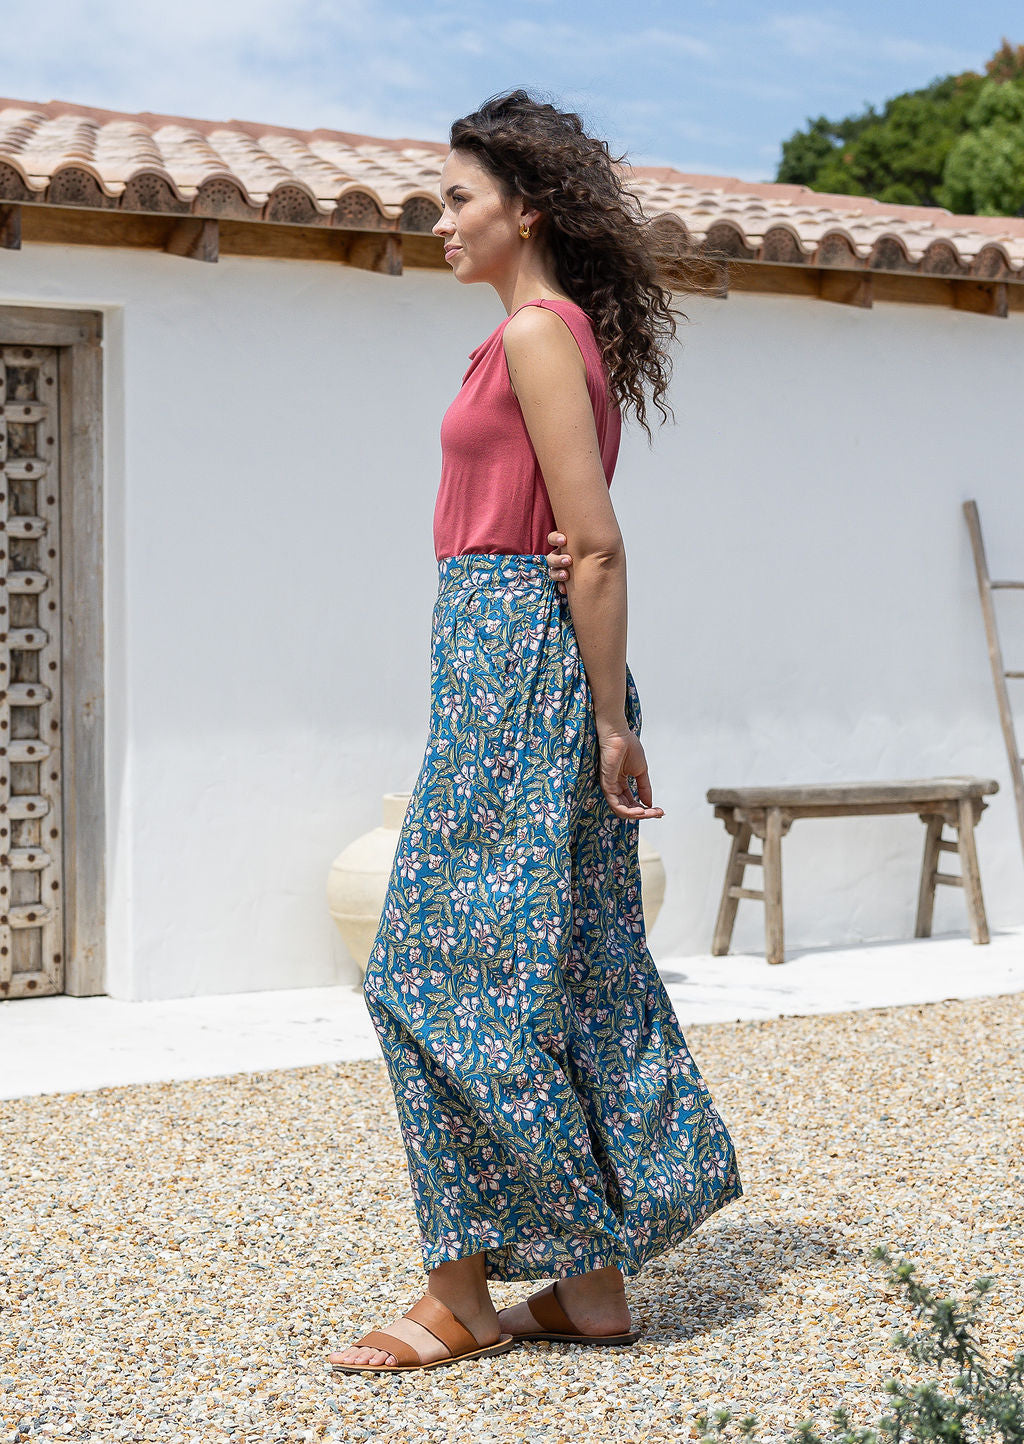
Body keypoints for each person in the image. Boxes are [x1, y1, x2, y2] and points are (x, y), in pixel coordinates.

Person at [329, 88, 743, 1376]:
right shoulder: (527, 337)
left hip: (524, 672)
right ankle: (590, 1286)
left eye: (459, 198)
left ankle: (460, 1296)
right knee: (552, 967)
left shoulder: (537, 337)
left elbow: (595, 545)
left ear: (531, 208)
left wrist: (611, 723)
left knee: (425, 972)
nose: (439, 219)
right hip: (499, 661)